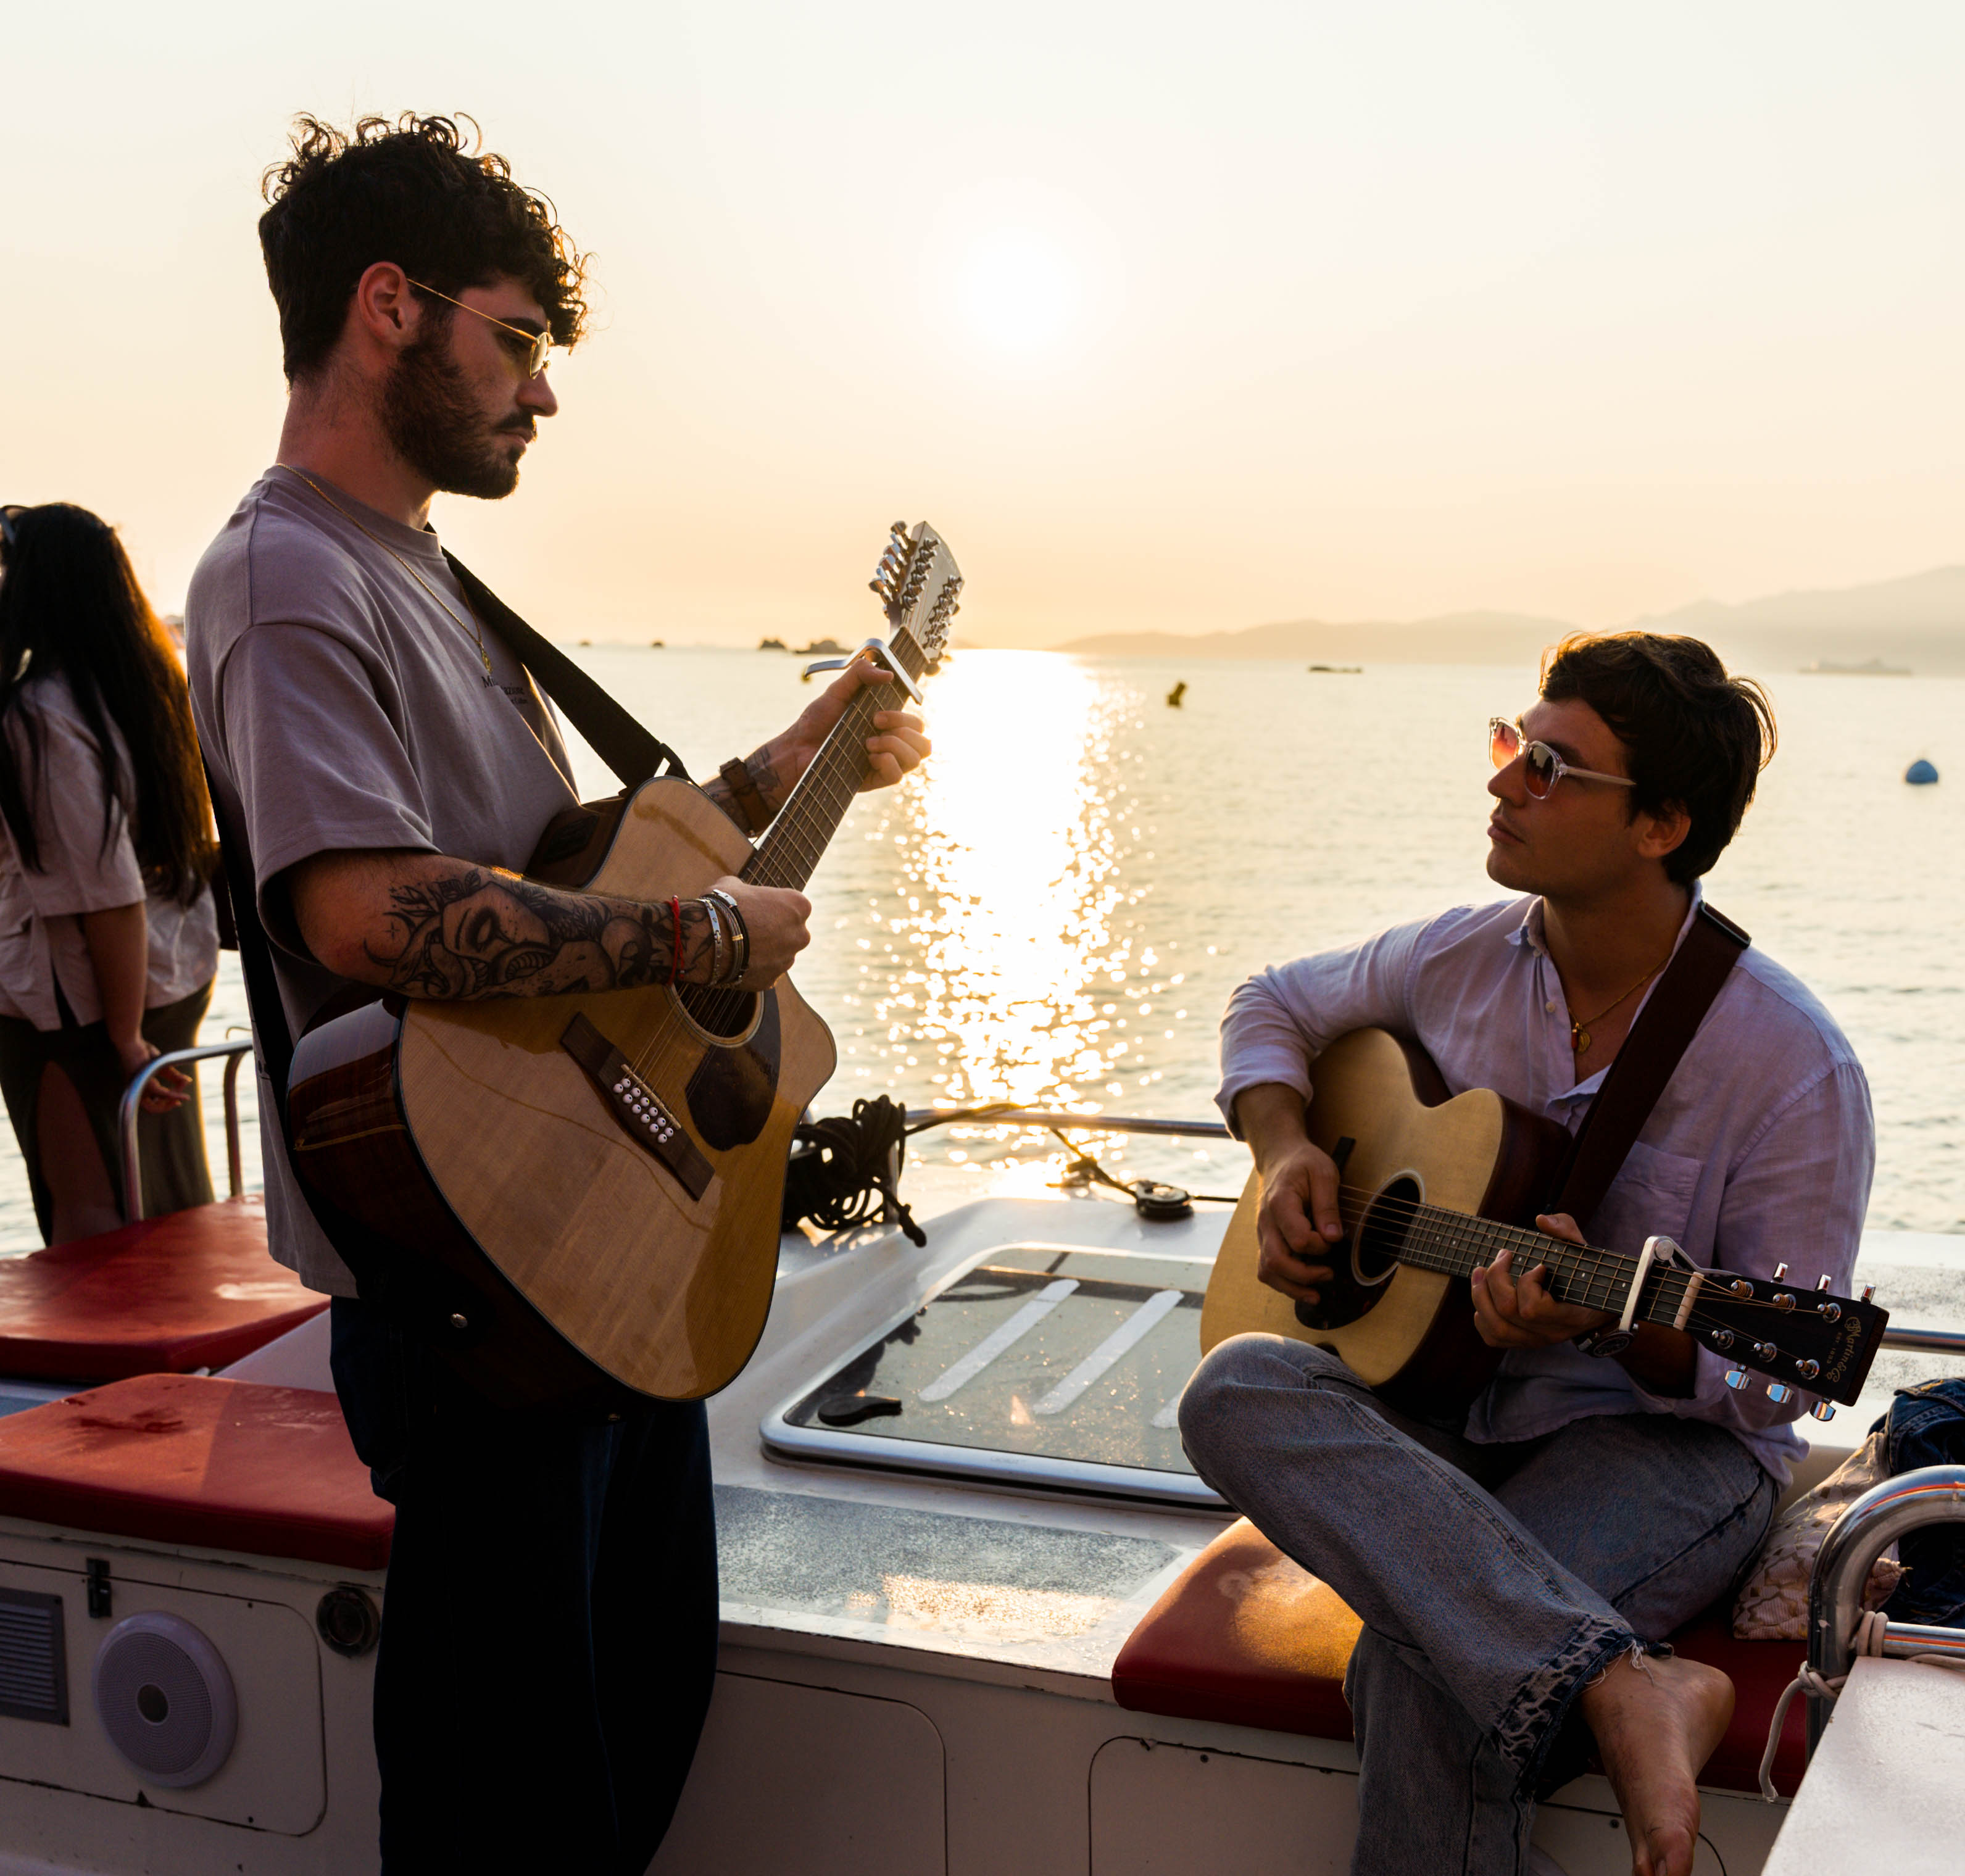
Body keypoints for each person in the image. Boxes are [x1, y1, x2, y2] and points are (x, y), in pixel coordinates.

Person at [184, 115, 930, 1872]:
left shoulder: (423, 573)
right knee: (509, 1806)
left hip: (596, 1252)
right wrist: (690, 946)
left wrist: (773, 773)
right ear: (391, 308)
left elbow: (554, 863)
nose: (543, 393)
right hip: (470, 1280)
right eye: (519, 342)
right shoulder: (289, 575)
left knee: (624, 1735)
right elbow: (369, 916)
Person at [1179, 633, 1873, 1876]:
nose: (1504, 782)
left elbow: (1785, 1383)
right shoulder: (1455, 954)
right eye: (1512, 744)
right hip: (1444, 1412)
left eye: (1549, 766)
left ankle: (1602, 1676)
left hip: (1660, 1449)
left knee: (1419, 1661)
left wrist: (1612, 1319)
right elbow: (1267, 1002)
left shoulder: (1789, 1065)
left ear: (1659, 825)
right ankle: (1623, 1681)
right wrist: (1285, 1149)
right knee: (1233, 1383)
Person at [0, 502, 219, 1242]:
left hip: (83, 1009)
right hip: (168, 978)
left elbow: (108, 893)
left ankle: (124, 1366)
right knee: (169, 1207)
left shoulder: (39, 715)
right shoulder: (149, 689)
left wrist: (123, 1039)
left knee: (89, 1227)